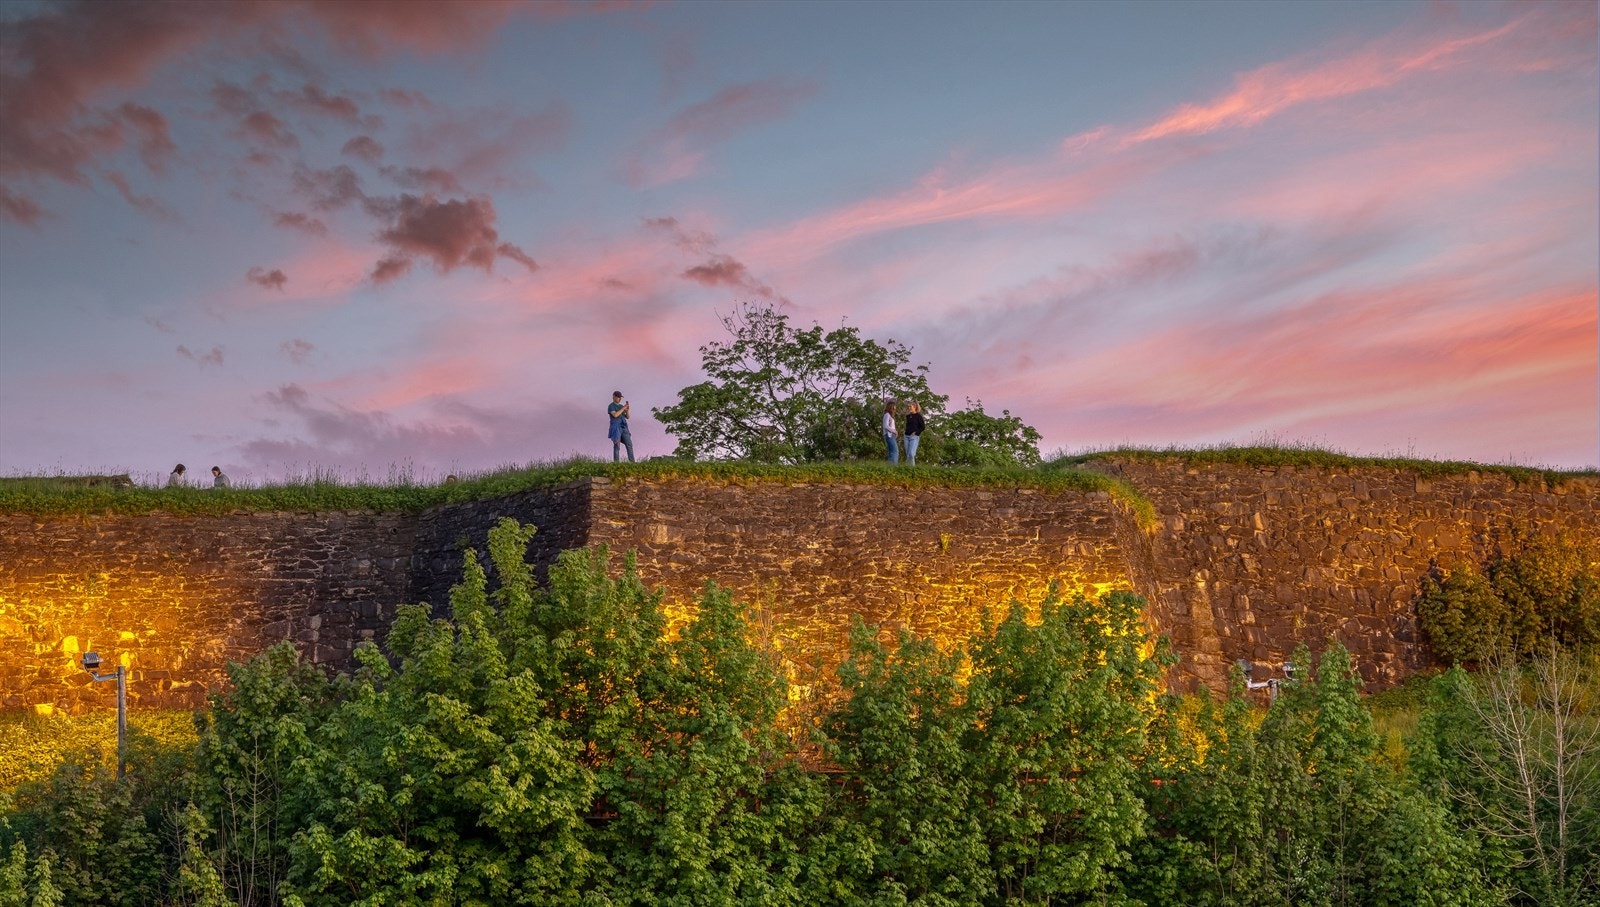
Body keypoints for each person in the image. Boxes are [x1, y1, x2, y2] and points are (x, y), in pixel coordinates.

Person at [608, 391, 635, 463]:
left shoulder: (621, 406)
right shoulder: (611, 406)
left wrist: (627, 410)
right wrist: (623, 408)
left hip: (624, 427)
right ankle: (616, 463)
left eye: (620, 397)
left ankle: (632, 462)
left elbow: (628, 417)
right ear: (614, 397)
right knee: (617, 446)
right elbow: (615, 415)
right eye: (618, 397)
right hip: (616, 427)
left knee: (629, 444)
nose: (619, 399)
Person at [904, 401, 925, 466]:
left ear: (914, 407)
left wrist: (916, 432)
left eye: (910, 406)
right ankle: (907, 469)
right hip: (906, 436)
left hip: (914, 437)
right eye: (908, 406)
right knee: (908, 455)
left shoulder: (918, 416)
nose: (909, 408)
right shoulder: (908, 416)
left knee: (911, 454)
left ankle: (913, 469)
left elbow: (923, 427)